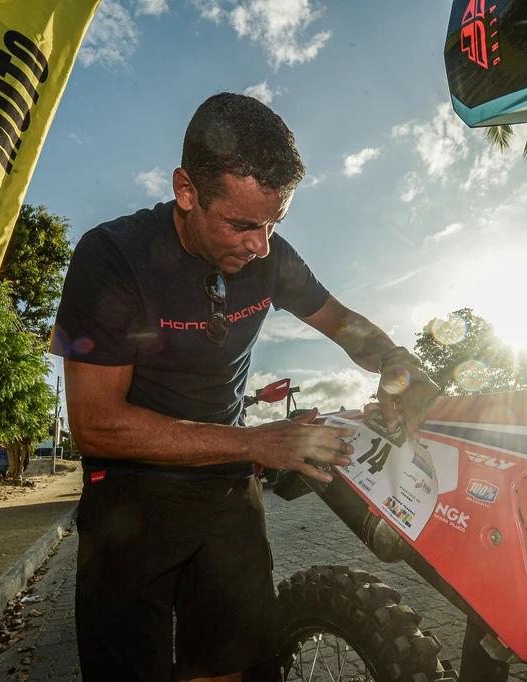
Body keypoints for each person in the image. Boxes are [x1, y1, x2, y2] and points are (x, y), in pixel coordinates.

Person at [51, 92, 439, 682]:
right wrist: (259, 443)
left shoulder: (270, 257)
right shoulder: (112, 258)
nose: (259, 244)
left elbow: (342, 323)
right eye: (241, 224)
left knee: (232, 667)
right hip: (129, 494)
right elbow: (97, 423)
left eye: (272, 224)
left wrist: (396, 362)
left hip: (225, 489)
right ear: (187, 192)